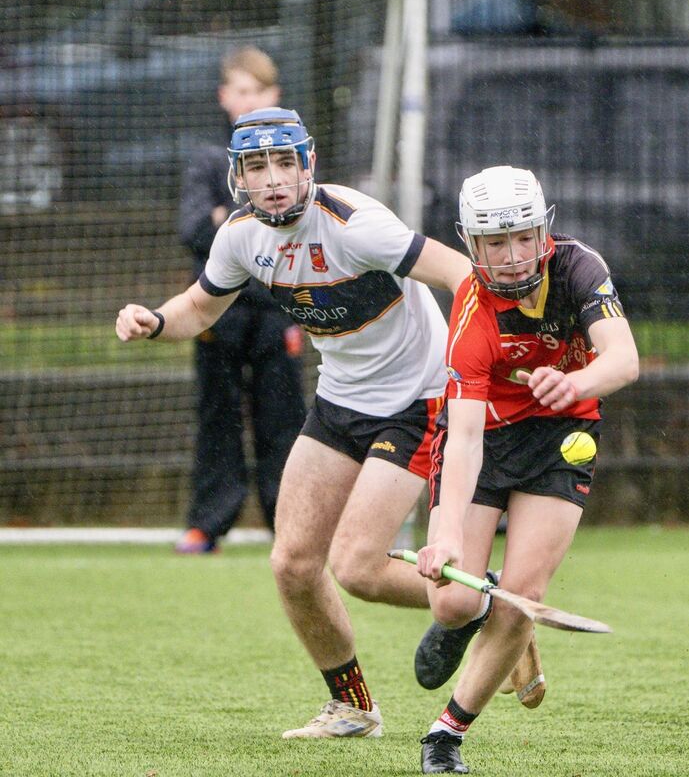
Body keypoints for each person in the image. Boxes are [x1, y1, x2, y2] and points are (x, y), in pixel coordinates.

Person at [116, 107, 474, 739]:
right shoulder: (241, 237)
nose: (274, 178)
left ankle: (474, 601)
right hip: (339, 402)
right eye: (258, 166)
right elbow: (201, 306)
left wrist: (495, 356)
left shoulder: (358, 225)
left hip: (418, 401)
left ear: (308, 165)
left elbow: (461, 275)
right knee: (293, 564)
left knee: (359, 568)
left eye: (286, 162)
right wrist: (156, 320)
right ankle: (355, 707)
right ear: (239, 177)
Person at [412, 166, 639, 774]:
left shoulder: (578, 269)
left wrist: (575, 383)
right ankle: (486, 607)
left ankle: (446, 735)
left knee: (524, 596)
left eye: (523, 237)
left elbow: (624, 358)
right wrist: (447, 532)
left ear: (544, 232)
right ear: (471, 244)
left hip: (562, 434)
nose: (512, 257)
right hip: (483, 434)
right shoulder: (472, 312)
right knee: (452, 606)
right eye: (494, 242)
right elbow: (459, 438)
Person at [174, 46, 306, 555]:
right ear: (225, 96)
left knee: (284, 419)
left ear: (274, 96)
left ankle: (290, 526)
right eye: (240, 91)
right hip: (217, 313)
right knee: (217, 414)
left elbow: (293, 223)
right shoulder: (208, 158)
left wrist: (223, 216)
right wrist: (243, 218)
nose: (249, 101)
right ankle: (207, 524)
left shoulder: (292, 159)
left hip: (278, 310)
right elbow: (190, 228)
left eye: (259, 91)